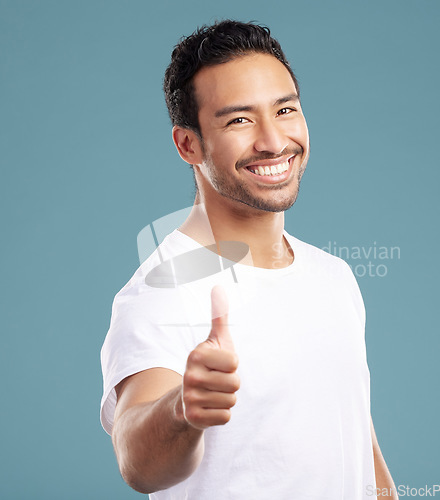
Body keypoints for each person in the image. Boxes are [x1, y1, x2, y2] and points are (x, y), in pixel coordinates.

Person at [100, 20, 398, 499]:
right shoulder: (161, 289)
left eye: (285, 110)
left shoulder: (334, 276)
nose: (273, 141)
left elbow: (358, 439)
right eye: (239, 120)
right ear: (187, 144)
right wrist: (182, 408)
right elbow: (138, 461)